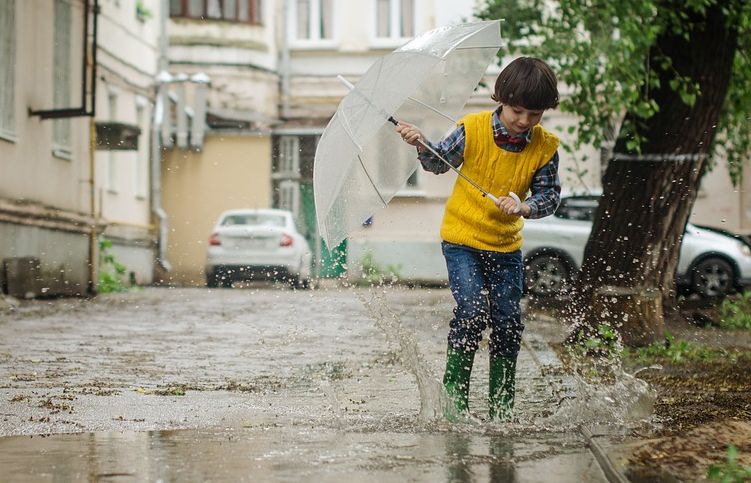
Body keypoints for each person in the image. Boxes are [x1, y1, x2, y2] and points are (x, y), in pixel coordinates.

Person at [396, 57, 561, 421]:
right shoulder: (472, 130)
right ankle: (455, 408)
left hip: (506, 247)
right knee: (471, 313)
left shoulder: (545, 147)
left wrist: (525, 206)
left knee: (507, 323)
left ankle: (502, 410)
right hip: (462, 241)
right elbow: (438, 163)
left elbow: (550, 197)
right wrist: (421, 143)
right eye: (517, 111)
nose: (524, 121)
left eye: (535, 114)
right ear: (500, 99)